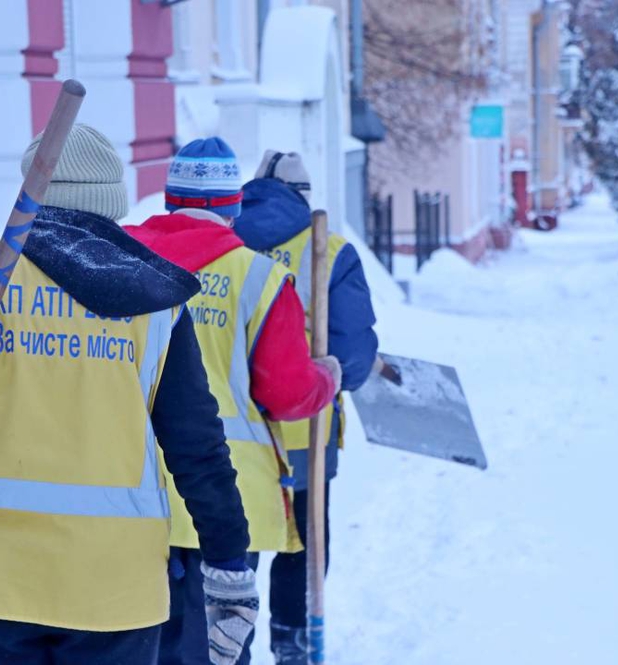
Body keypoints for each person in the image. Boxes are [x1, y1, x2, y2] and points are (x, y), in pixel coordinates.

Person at [0, 125, 258, 665]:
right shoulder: (157, 301)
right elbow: (198, 450)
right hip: (116, 587)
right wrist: (228, 564)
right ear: (111, 202)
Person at [124, 137, 342, 665]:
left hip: (123, 488)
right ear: (233, 204)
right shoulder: (258, 276)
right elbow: (287, 393)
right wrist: (326, 379)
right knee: (212, 652)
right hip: (222, 501)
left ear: (169, 197)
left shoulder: (119, 260)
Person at [236, 150, 379, 664]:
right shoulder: (330, 251)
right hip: (305, 435)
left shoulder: (225, 244)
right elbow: (354, 357)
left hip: (228, 438)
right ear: (305, 197)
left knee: (235, 546)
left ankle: (232, 645)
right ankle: (293, 644)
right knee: (302, 543)